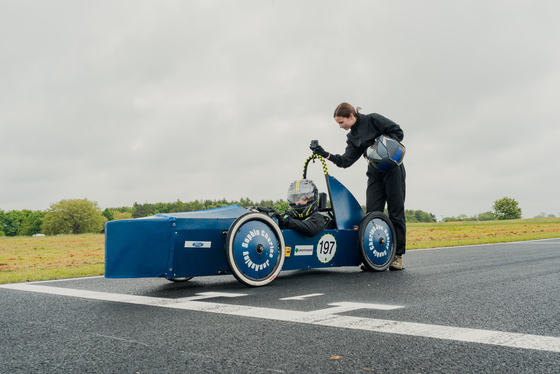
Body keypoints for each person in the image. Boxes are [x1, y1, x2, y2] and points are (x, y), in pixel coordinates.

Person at [311, 102, 406, 270]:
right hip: (375, 173)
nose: (340, 127)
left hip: (392, 169)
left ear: (351, 116)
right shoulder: (352, 137)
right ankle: (373, 256)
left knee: (395, 211)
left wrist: (383, 147)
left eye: (341, 122)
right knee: (372, 213)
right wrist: (325, 154)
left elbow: (398, 131)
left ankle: (397, 256)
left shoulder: (373, 119)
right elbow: (345, 162)